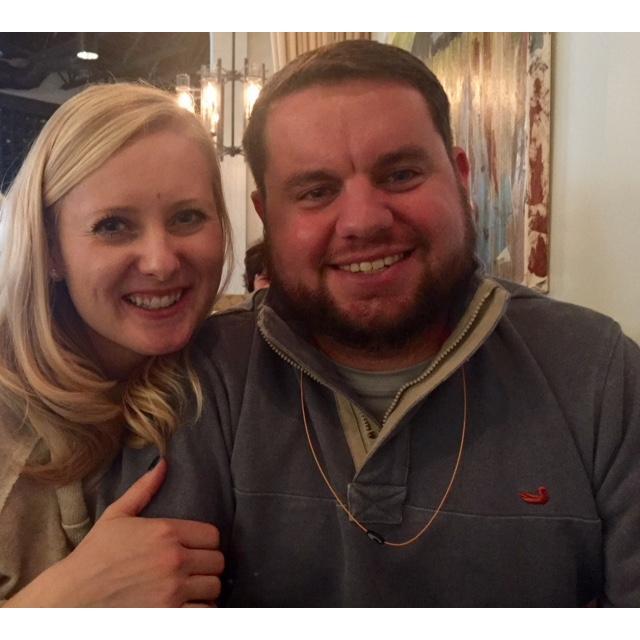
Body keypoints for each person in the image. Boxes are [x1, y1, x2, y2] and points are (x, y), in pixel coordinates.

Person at [99, 40, 640, 606]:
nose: (363, 221)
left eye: (401, 174)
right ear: (267, 217)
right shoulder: (206, 378)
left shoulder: (596, 372)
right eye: (316, 192)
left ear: (460, 178)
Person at [0, 82, 232, 606]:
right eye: (113, 226)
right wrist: (66, 602)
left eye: (187, 217)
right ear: (51, 249)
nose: (161, 262)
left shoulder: (226, 375)